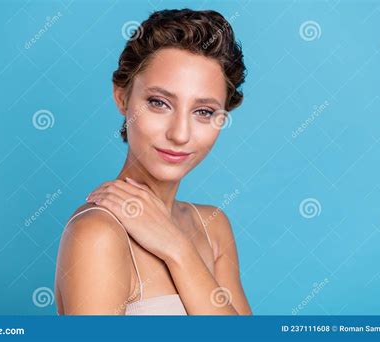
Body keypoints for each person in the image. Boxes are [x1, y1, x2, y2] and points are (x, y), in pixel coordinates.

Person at [55, 8, 251, 315]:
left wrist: (178, 250)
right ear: (122, 98)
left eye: (204, 112)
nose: (180, 134)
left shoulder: (213, 228)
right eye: (159, 103)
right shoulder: (98, 235)